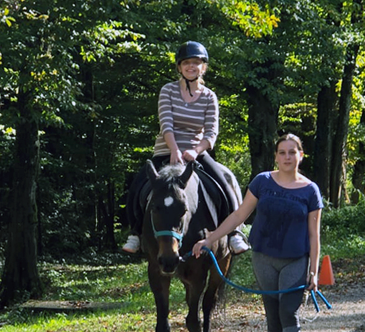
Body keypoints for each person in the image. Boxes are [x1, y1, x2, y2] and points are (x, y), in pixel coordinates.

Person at [122, 41, 250, 255]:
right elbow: (166, 123)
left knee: (224, 186)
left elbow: (211, 132)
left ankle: (234, 233)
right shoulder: (168, 90)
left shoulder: (209, 96)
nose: (192, 66)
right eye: (187, 63)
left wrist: (196, 151)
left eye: (197, 63)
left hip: (196, 154)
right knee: (137, 187)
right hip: (166, 152)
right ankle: (135, 233)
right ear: (179, 67)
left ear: (203, 67)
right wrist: (173, 149)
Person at [192, 133, 324, 332]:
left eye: (292, 152)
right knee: (272, 315)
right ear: (276, 157)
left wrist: (314, 273)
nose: (287, 157)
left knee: (288, 311)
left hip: (295, 260)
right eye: (282, 153)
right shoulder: (262, 182)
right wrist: (210, 239)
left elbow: (314, 235)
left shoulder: (310, 190)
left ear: (301, 155)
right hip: (263, 258)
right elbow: (238, 216)